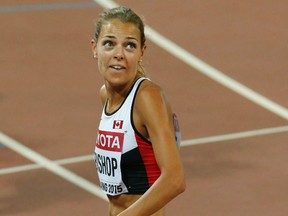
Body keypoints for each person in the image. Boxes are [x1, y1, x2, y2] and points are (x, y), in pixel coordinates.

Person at [91, 6, 185, 216]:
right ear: (94, 48)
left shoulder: (146, 97)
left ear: (142, 52)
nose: (119, 54)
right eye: (109, 44)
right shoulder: (105, 95)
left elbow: (175, 180)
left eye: (129, 46)